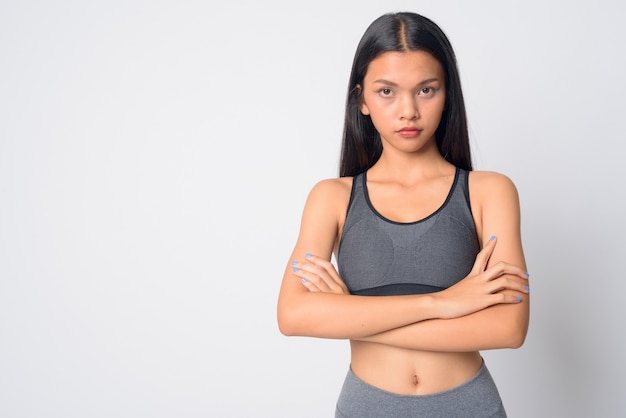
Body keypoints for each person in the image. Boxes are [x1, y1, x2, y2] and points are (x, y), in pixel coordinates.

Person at [277, 11, 530, 418]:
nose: (408, 110)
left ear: (447, 94)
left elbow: (509, 328)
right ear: (361, 98)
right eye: (387, 91)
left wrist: (351, 314)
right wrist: (442, 303)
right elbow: (292, 315)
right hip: (366, 406)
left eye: (426, 90)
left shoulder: (489, 191)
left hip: (469, 406)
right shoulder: (331, 198)